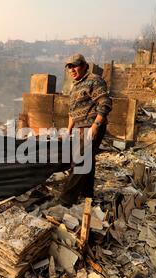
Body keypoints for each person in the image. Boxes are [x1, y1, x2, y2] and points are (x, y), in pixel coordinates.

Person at [59, 53, 112, 207]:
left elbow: (105, 103)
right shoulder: (75, 86)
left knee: (80, 161)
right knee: (87, 160)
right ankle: (87, 193)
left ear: (83, 65)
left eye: (74, 65)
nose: (71, 69)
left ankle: (65, 200)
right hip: (79, 128)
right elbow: (72, 111)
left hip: (91, 127)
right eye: (69, 66)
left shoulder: (94, 80)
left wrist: (95, 126)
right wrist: (69, 130)